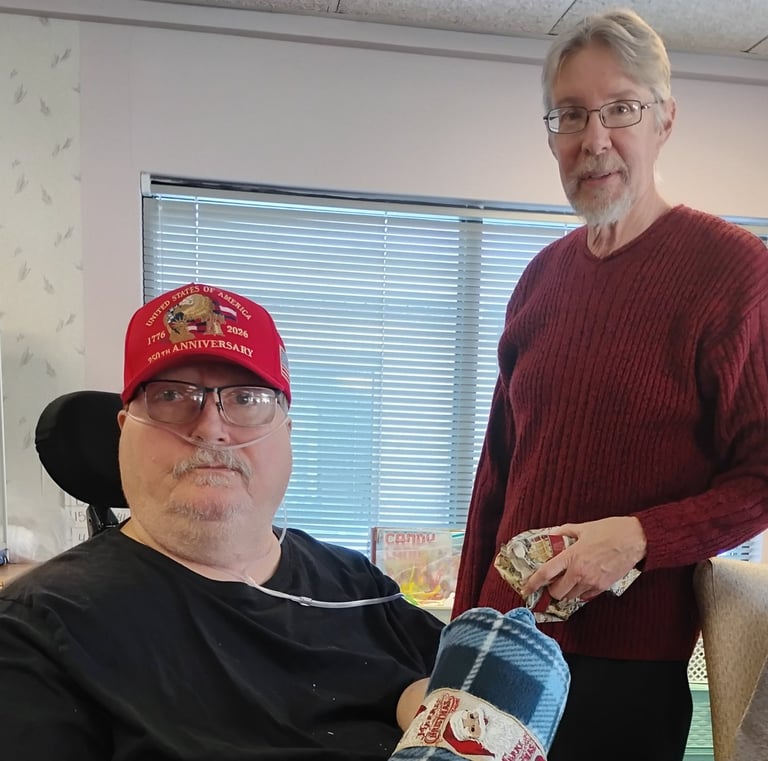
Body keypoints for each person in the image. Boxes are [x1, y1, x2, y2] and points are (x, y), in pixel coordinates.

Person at [452, 8, 768, 761]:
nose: (594, 139)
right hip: (500, 645)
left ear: (664, 120)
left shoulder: (733, 273)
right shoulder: (540, 278)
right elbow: (497, 475)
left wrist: (637, 539)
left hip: (627, 673)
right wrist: (461, 631)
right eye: (570, 114)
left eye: (621, 108)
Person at [0, 282, 444, 760]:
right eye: (171, 395)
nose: (211, 428)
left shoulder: (359, 586)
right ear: (125, 432)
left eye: (247, 399)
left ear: (287, 432)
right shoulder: (36, 630)